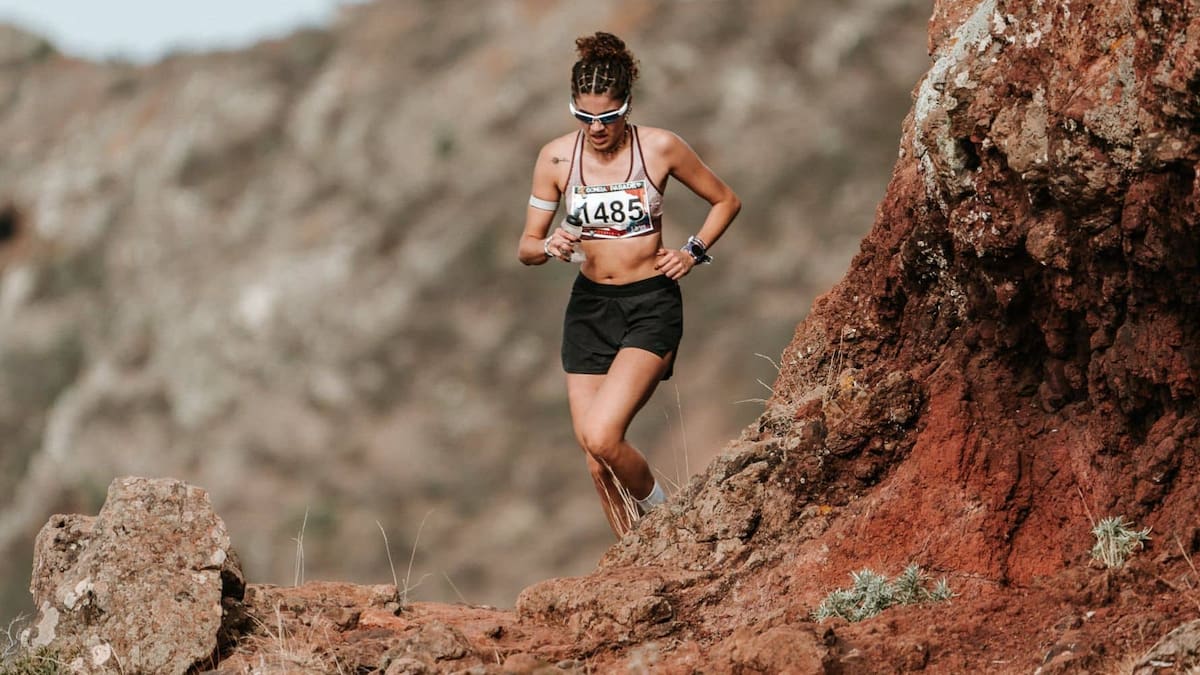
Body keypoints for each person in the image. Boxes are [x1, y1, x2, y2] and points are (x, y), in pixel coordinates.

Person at [517, 32, 741, 537]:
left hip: (650, 304)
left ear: (627, 106)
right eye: (585, 117)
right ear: (572, 108)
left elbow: (726, 200)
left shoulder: (660, 147)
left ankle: (668, 527)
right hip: (590, 309)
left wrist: (692, 252)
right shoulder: (554, 159)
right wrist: (549, 246)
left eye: (608, 117)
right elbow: (526, 248)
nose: (597, 129)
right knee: (596, 458)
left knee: (602, 434)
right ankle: (634, 561)